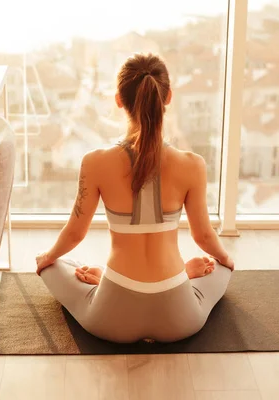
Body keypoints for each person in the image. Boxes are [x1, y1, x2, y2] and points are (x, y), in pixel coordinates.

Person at [35, 53, 234, 344]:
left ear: (118, 100)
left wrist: (47, 258)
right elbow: (203, 235)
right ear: (168, 97)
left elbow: (76, 233)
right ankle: (185, 274)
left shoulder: (95, 162)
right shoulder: (193, 164)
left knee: (55, 266)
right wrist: (227, 259)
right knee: (219, 267)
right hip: (180, 318)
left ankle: (105, 279)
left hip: (112, 319)